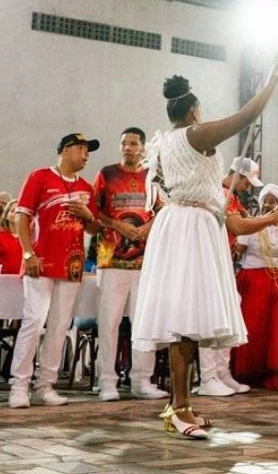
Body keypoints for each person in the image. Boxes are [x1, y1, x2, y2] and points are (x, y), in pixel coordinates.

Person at [132, 73, 278, 439]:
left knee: (185, 320)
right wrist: (272, 83)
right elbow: (246, 116)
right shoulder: (195, 134)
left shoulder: (167, 141)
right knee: (182, 321)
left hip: (188, 221)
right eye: (200, 110)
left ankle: (181, 404)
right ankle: (178, 407)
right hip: (190, 226)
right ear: (192, 111)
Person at [8, 133, 101, 409]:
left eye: (88, 151)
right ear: (65, 150)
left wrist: (87, 216)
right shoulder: (39, 177)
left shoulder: (86, 187)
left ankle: (45, 385)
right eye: (81, 149)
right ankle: (19, 385)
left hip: (72, 266)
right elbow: (21, 217)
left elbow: (94, 229)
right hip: (41, 263)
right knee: (34, 322)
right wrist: (28, 253)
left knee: (60, 325)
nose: (86, 155)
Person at [93, 127, 168, 402]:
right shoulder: (106, 174)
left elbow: (163, 210)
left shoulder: (152, 177)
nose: (128, 147)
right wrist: (117, 225)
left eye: (133, 143)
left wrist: (149, 225)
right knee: (109, 323)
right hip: (111, 260)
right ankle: (107, 382)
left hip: (144, 262)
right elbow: (94, 211)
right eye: (124, 143)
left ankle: (141, 380)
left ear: (143, 148)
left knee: (143, 323)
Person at [195, 156, 263, 397]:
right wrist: (269, 219)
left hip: (225, 265)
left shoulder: (231, 197)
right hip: (211, 264)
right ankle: (208, 376)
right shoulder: (221, 194)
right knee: (212, 317)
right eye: (246, 182)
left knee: (228, 313)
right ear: (238, 176)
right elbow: (238, 228)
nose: (247, 188)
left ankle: (222, 372)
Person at [231, 183, 278, 389]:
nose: (269, 205)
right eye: (265, 202)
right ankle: (250, 373)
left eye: (273, 202)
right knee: (255, 327)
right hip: (254, 282)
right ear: (259, 205)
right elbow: (238, 251)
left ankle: (277, 372)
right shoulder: (251, 224)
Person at [0, 196, 22, 275]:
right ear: (6, 216)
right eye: (13, 211)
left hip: (26, 279)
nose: (16, 213)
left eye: (19, 211)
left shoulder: (30, 237)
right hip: (5, 280)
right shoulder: (1, 237)